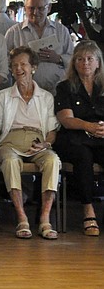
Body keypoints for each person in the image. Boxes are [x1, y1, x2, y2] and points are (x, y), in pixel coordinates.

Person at [0, 46, 60, 239]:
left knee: (52, 161)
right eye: (14, 66)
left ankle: (44, 218)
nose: (18, 69)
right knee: (10, 161)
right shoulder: (4, 96)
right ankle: (22, 217)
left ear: (33, 67)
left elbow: (52, 131)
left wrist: (46, 144)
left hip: (38, 142)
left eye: (23, 64)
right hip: (10, 142)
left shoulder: (46, 97)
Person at [53, 40, 104, 236]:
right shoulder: (65, 87)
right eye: (80, 59)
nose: (85, 63)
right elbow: (67, 120)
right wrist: (89, 126)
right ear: (74, 63)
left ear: (98, 62)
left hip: (99, 137)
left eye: (90, 59)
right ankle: (88, 210)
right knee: (83, 157)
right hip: (73, 137)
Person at [5, 0, 73, 94]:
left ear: (49, 8)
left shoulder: (61, 30)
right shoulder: (14, 32)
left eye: (40, 8)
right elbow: (4, 62)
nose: (35, 12)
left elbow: (73, 59)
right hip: (24, 92)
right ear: (25, 9)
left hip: (57, 91)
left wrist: (59, 58)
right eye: (31, 8)